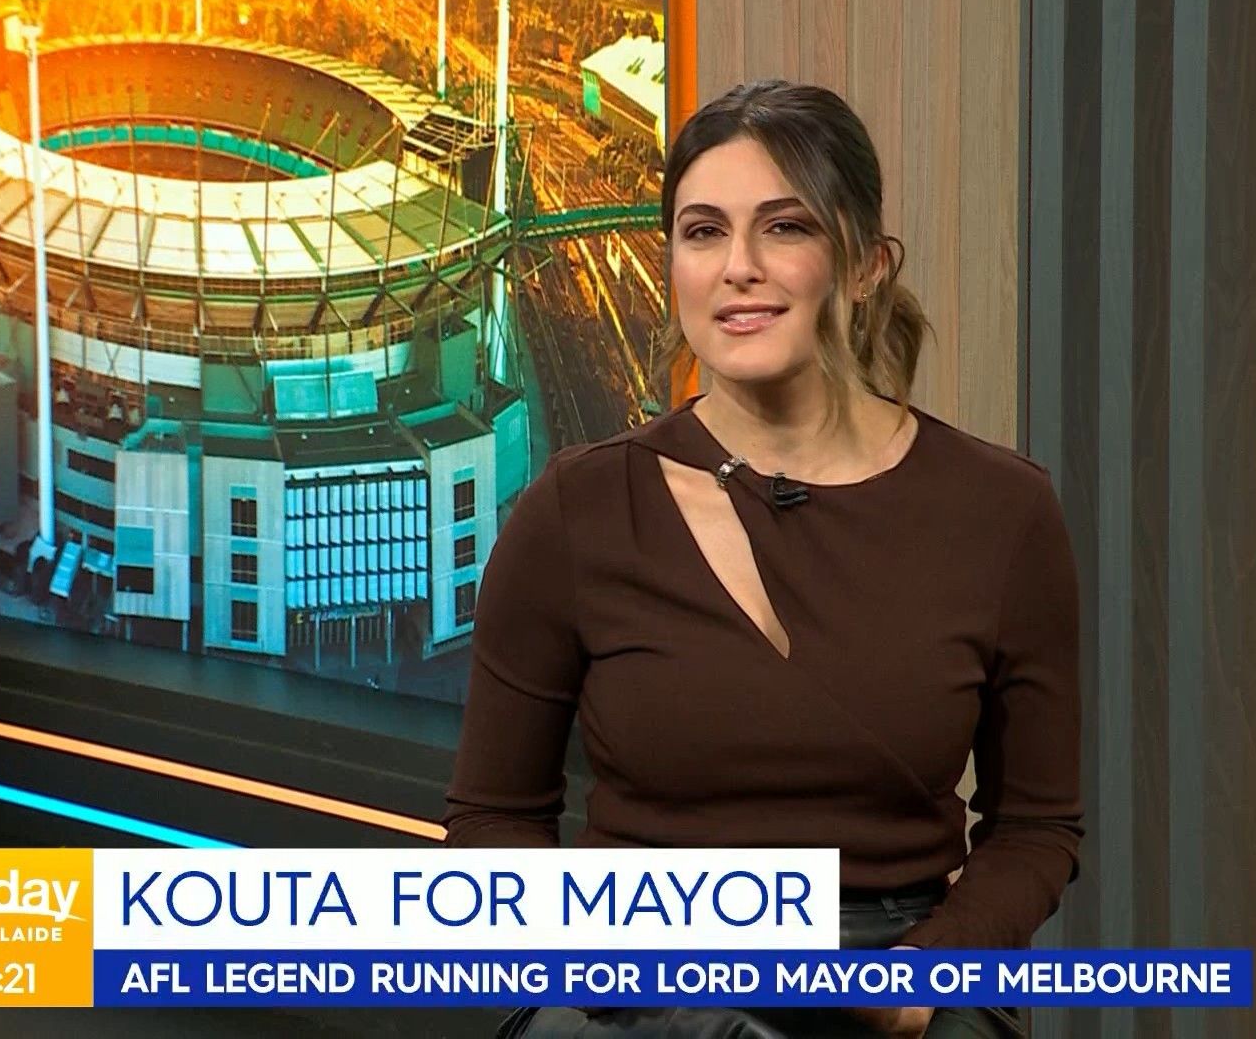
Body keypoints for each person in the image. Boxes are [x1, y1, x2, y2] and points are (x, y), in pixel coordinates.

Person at [445, 79, 1083, 1038]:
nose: (738, 267)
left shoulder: (1003, 511)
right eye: (703, 232)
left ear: (865, 265)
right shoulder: (577, 512)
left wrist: (929, 977)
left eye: (784, 228)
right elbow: (492, 821)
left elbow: (1036, 827)